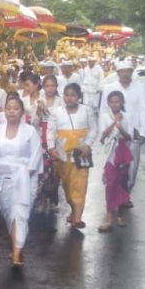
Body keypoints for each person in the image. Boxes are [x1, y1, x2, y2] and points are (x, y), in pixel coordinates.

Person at [0, 94, 43, 267]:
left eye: (15, 108)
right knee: (9, 213)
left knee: (19, 214)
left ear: (22, 111)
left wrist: (25, 176)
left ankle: (16, 253)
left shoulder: (30, 131)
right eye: (8, 108)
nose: (12, 111)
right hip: (2, 179)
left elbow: (36, 155)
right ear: (4, 111)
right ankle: (17, 245)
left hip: (24, 177)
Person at [47, 83, 98, 229]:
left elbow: (94, 129)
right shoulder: (57, 112)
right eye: (66, 95)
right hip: (63, 155)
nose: (69, 98)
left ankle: (77, 218)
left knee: (80, 185)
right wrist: (51, 148)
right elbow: (50, 131)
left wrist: (88, 145)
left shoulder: (87, 110)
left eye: (73, 95)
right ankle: (73, 209)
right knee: (68, 185)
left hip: (81, 153)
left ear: (79, 97)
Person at [100, 58, 145, 197]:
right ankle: (115, 194)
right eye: (121, 71)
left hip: (133, 133)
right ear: (117, 73)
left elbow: (144, 110)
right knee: (113, 164)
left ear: (132, 72)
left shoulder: (140, 87)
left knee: (131, 166)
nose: (125, 74)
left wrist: (144, 132)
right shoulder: (110, 88)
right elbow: (103, 111)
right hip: (113, 133)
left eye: (128, 71)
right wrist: (102, 134)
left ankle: (126, 192)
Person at [98, 91, 134, 232]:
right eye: (111, 102)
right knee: (110, 184)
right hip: (109, 154)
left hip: (123, 153)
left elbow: (128, 137)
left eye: (117, 101)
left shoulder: (128, 116)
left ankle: (120, 215)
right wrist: (114, 123)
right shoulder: (104, 117)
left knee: (122, 183)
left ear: (122, 103)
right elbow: (103, 137)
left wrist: (121, 128)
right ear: (108, 103)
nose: (114, 104)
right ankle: (108, 217)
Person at [35, 74, 64, 216]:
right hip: (42, 137)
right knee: (43, 170)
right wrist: (39, 111)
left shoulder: (61, 102)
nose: (50, 88)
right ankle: (42, 200)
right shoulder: (39, 101)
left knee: (55, 171)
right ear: (43, 87)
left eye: (53, 85)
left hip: (56, 138)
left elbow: (63, 121)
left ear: (57, 87)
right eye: (47, 86)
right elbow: (35, 122)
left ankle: (53, 199)